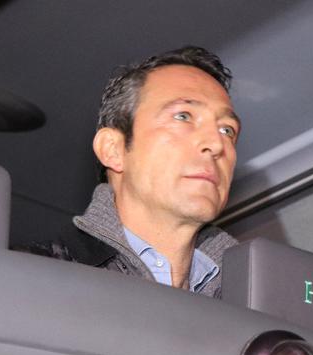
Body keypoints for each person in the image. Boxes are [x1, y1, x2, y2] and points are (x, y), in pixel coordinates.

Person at [24, 46, 239, 298]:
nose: (216, 144)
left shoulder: (255, 303)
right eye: (183, 116)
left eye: (227, 130)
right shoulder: (30, 282)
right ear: (113, 150)